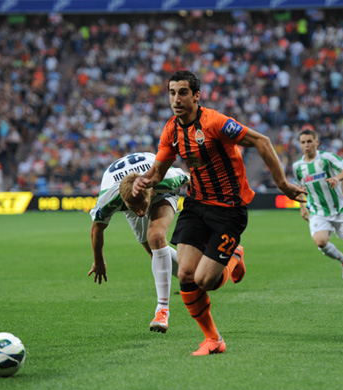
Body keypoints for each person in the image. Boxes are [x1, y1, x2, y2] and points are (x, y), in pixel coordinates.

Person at [132, 70, 306, 356]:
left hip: (229, 209)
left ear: (197, 95)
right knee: (186, 274)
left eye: (183, 92)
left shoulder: (215, 123)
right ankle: (213, 339)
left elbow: (262, 141)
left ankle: (235, 254)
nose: (176, 98)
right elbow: (157, 172)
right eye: (172, 92)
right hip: (197, 204)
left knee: (205, 281)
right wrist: (144, 181)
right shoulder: (171, 129)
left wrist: (283, 184)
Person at [87, 152, 245, 334]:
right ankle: (233, 256)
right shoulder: (108, 199)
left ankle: (162, 310)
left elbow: (194, 180)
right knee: (162, 256)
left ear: (150, 191)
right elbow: (96, 229)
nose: (140, 213)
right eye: (133, 208)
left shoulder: (167, 179)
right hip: (130, 188)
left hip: (161, 191)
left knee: (155, 237)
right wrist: (98, 260)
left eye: (142, 206)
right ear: (123, 201)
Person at [293, 128, 343, 287]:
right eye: (303, 142)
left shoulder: (327, 158)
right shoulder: (297, 167)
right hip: (318, 212)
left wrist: (336, 178)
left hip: (340, 211)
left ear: (316, 142)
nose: (306, 145)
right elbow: (299, 188)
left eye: (309, 141)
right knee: (320, 242)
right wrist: (302, 207)